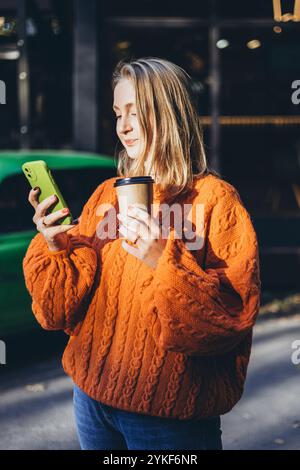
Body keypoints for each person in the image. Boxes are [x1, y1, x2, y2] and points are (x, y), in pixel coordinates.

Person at [22, 57, 261, 450]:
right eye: (118, 113)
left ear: (168, 113)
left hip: (170, 419)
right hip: (91, 398)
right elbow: (59, 311)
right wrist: (55, 245)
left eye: (135, 111)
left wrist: (161, 259)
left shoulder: (215, 201)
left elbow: (229, 321)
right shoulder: (105, 195)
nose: (124, 126)